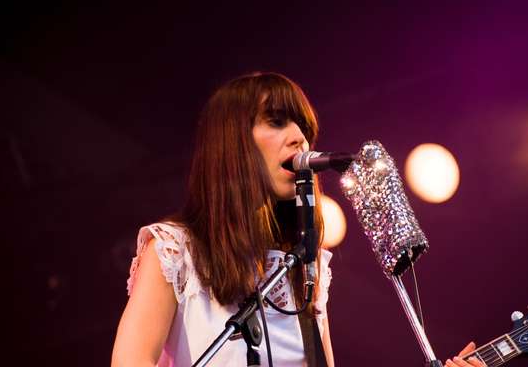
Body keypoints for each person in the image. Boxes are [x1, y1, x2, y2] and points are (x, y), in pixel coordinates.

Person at [111, 72, 485, 367]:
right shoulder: (174, 250)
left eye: (303, 128)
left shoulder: (308, 267)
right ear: (231, 143)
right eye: (275, 122)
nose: (300, 139)